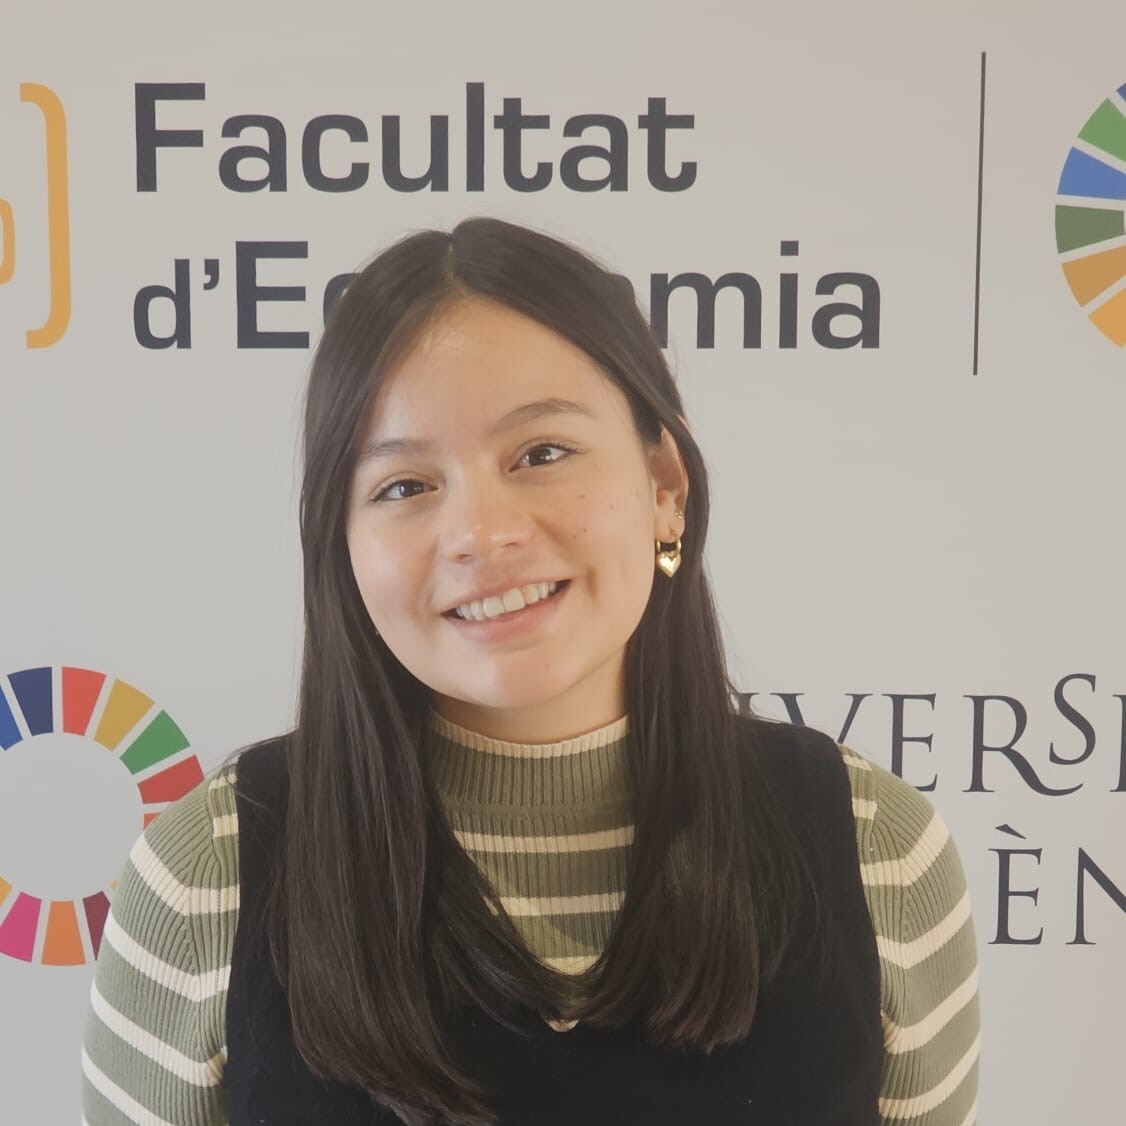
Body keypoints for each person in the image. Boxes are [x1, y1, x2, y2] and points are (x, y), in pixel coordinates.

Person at [81, 218, 980, 1125]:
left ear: (664, 486)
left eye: (542, 454)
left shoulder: (875, 851)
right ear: (343, 544)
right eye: (404, 486)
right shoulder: (208, 878)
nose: (482, 534)